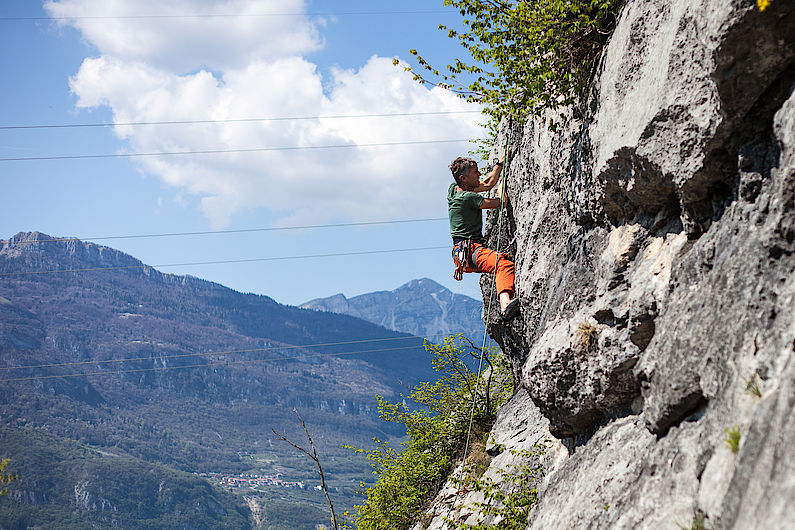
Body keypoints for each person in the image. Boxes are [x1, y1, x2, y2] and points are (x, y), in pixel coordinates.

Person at [448, 152, 520, 321]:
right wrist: (503, 187)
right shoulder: (467, 198)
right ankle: (505, 305)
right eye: (475, 172)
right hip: (470, 250)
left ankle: (505, 301)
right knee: (503, 263)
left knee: (501, 262)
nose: (479, 174)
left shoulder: (453, 188)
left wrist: (500, 164)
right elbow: (500, 202)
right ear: (463, 178)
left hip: (463, 254)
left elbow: (487, 184)